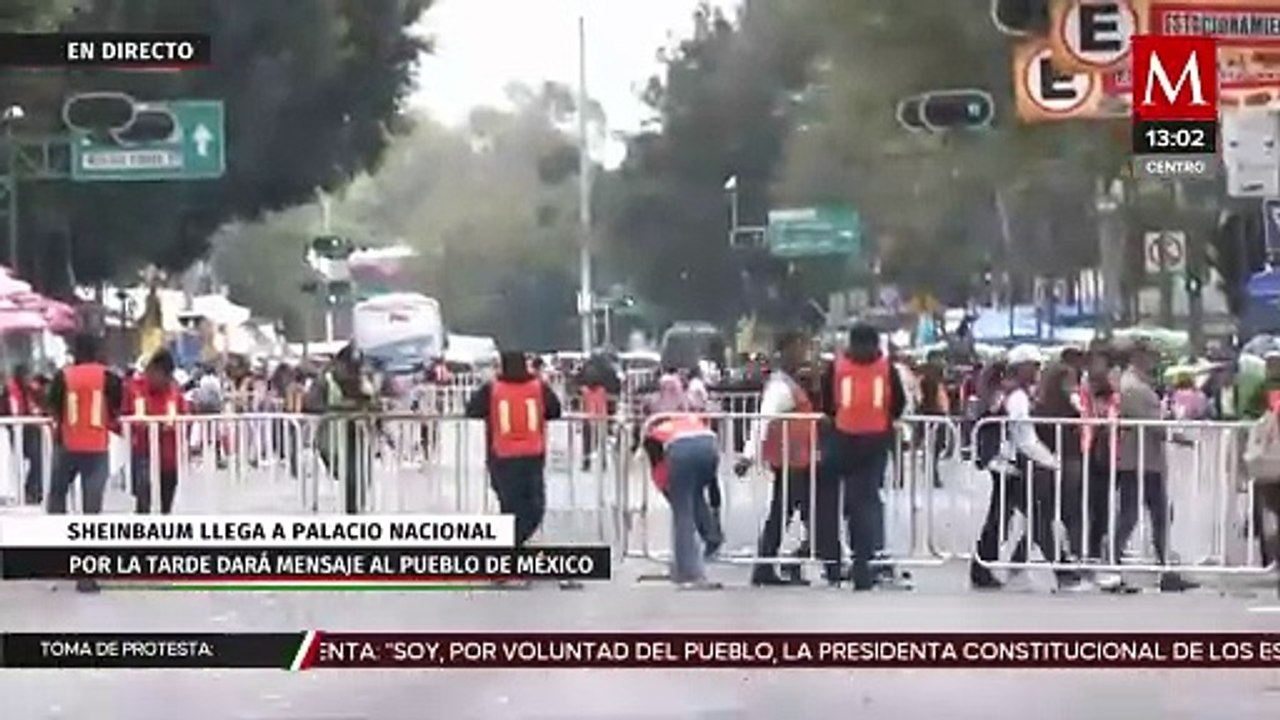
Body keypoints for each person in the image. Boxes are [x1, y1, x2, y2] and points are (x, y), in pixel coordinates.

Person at [736, 331, 827, 586]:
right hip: (792, 462)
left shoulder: (793, 382)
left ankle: (775, 565)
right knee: (795, 515)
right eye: (800, 348)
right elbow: (762, 421)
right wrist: (749, 455)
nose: (805, 355)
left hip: (800, 460)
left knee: (796, 514)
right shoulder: (780, 386)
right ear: (786, 351)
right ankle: (782, 564)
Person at [820, 323, 906, 591]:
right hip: (875, 441)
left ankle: (835, 564)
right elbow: (898, 404)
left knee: (836, 503)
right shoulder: (886, 368)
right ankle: (863, 566)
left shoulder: (837, 367)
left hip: (842, 440)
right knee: (867, 504)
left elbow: (826, 402)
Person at [466, 350, 563, 586]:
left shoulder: (492, 388)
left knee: (511, 510)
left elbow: (472, 410)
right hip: (531, 457)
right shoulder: (539, 387)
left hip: (502, 458)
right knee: (533, 510)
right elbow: (555, 410)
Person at [1106, 342, 1197, 593]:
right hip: (1138, 459)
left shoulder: (1137, 384)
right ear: (1138, 356)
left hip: (1146, 459)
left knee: (1155, 514)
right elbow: (1149, 421)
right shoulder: (1132, 386)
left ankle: (1164, 567)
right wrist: (1175, 432)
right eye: (1151, 356)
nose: (1155, 361)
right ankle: (1113, 562)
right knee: (1135, 515)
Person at [970, 345, 1059, 590]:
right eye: (1035, 366)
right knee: (1037, 518)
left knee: (1001, 518)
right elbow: (1024, 437)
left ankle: (981, 569)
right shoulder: (1017, 396)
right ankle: (1064, 571)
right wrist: (1050, 460)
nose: (1039, 371)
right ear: (1023, 367)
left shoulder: (1002, 390)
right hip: (1009, 463)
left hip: (1000, 462)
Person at [46, 334, 124, 593]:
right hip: (96, 448)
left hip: (66, 446)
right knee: (92, 514)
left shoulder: (63, 376)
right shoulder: (110, 378)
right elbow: (115, 410)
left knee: (57, 498)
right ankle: (87, 575)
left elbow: (53, 408)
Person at [1030, 361, 1093, 591]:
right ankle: (1070, 563)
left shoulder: (1040, 405)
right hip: (1061, 462)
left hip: (1055, 463)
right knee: (1063, 513)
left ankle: (1069, 563)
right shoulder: (1058, 407)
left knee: (1046, 516)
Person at [644, 411, 721, 589]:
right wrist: (716, 506)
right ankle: (712, 535)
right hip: (710, 446)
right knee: (694, 494)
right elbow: (711, 483)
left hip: (681, 451)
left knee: (682, 512)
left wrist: (669, 492)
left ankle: (689, 572)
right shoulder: (688, 421)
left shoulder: (652, 436)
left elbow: (659, 471)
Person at [124, 350, 187, 514]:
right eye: (150, 371)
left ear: (167, 375)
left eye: (156, 373)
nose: (150, 376)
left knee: (166, 504)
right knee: (143, 500)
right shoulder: (136, 388)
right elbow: (125, 415)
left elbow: (186, 420)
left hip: (169, 457)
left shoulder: (175, 394)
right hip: (143, 454)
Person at [3, 364, 44, 505]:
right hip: (14, 431)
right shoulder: (9, 390)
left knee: (39, 457)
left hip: (30, 430)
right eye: (26, 375)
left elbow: (39, 406)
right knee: (35, 456)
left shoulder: (31, 390)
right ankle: (29, 491)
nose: (28, 379)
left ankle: (34, 490)